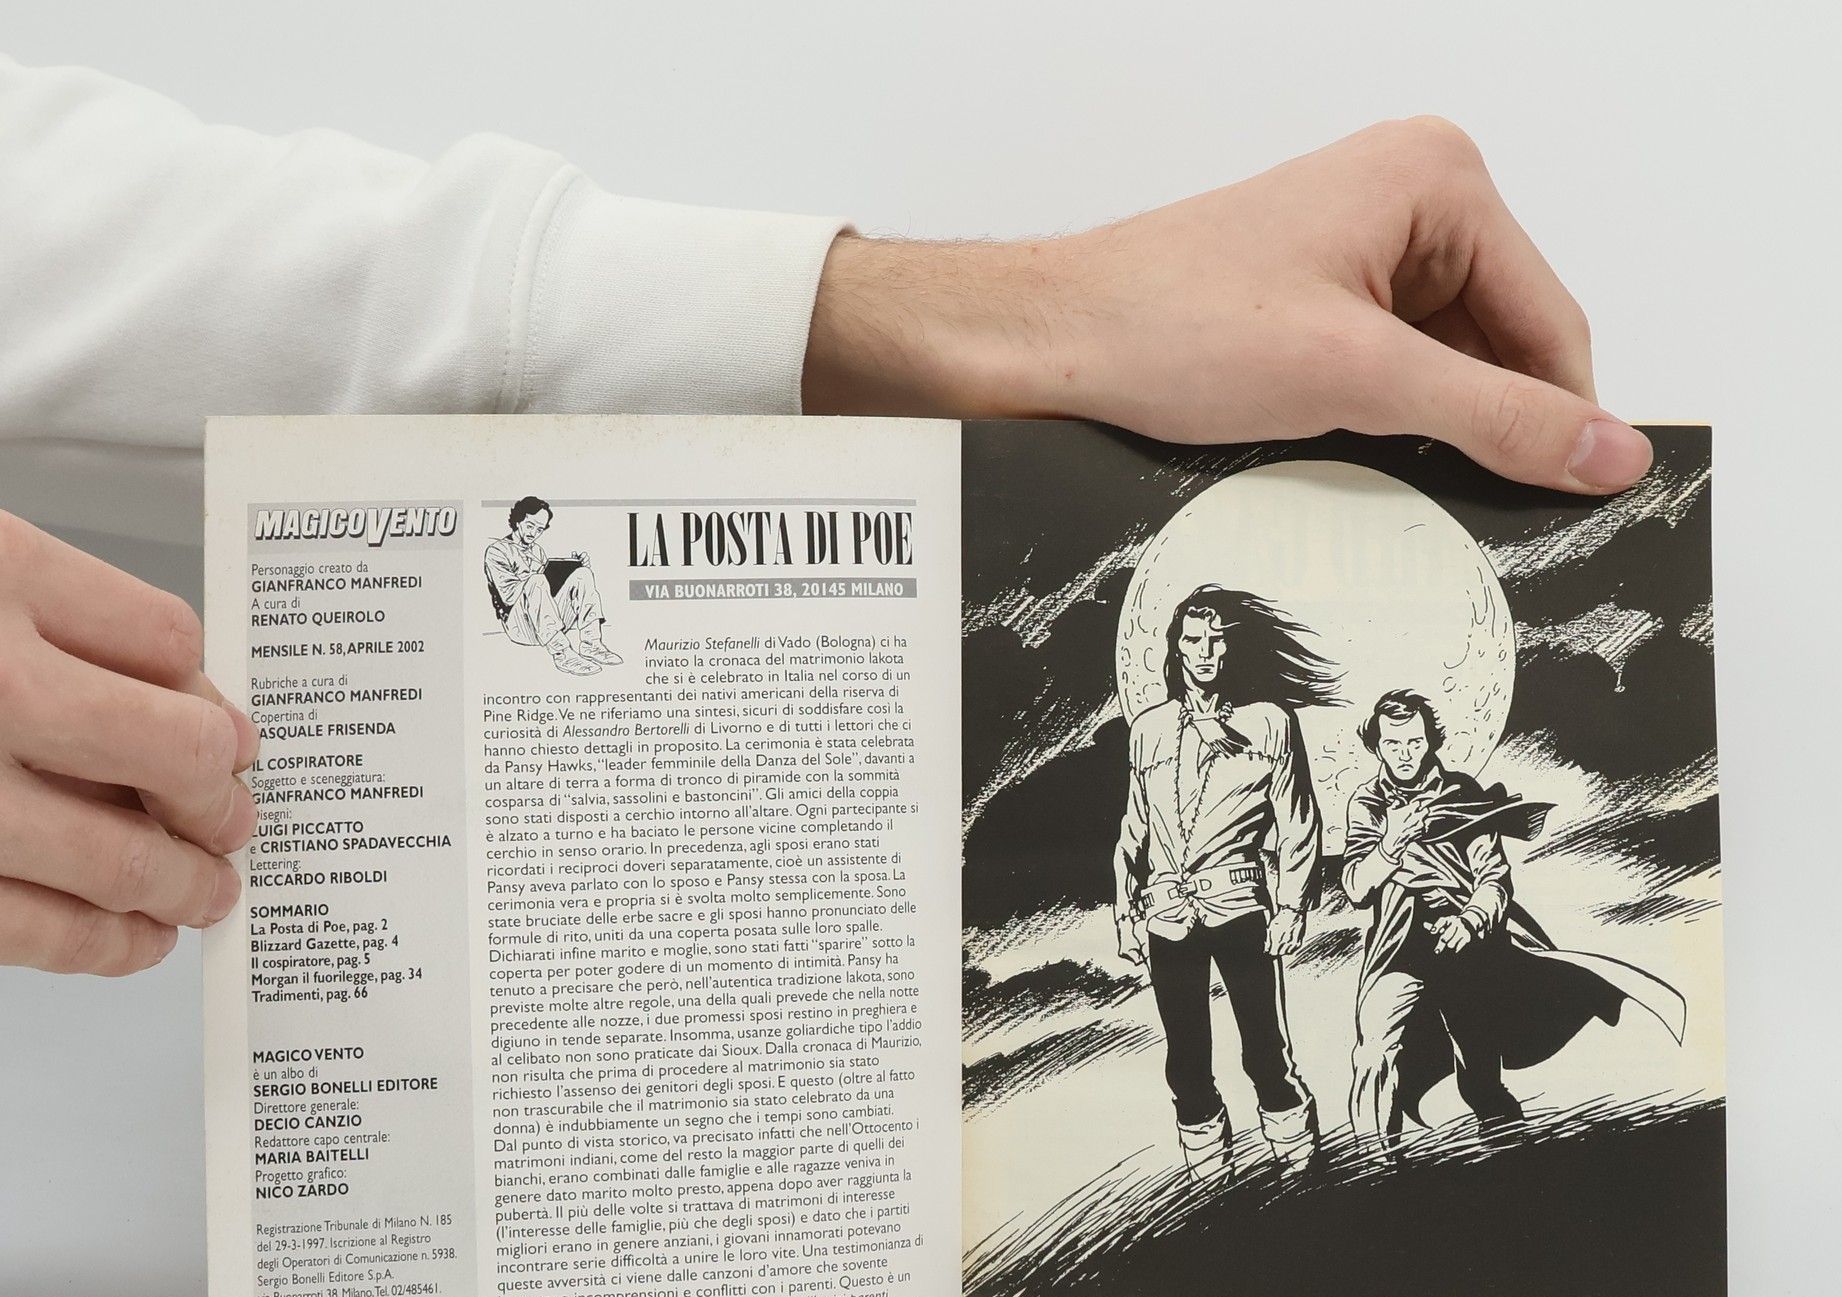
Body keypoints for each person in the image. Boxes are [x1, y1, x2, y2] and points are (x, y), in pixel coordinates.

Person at [0, 54, 1655, 979]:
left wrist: (987, 318)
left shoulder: (1305, 746)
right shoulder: (1168, 731)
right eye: (1199, 638)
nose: (1210, 652)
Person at [1342, 690, 1684, 1146]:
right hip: (1400, 944)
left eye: (1414, 742)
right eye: (1392, 744)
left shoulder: (1462, 792)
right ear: (1377, 745)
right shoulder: (1366, 803)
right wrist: (1391, 843)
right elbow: (1356, 886)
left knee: (1479, 1070)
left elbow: (1494, 879)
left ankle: (1508, 1150)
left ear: (1430, 742)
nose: (1404, 754)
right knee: (1373, 1050)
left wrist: (1468, 922)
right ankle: (1374, 1161)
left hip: (1465, 940)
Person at [1114, 588, 1337, 1179]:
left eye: (1217, 640)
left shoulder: (1270, 722)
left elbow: (1299, 823)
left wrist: (1291, 907)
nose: (1205, 652)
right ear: (1176, 647)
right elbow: (1133, 830)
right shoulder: (1148, 729)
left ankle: (1302, 1176)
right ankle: (1210, 1188)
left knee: (1265, 1054)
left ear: (1234, 647)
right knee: (1186, 1066)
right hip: (1167, 916)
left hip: (1240, 908)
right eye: (1193, 640)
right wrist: (1124, 913)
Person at [482, 496, 617, 676]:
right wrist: (535, 578)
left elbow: (549, 591)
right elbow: (508, 596)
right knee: (537, 581)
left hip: (545, 625)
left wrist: (568, 570)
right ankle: (563, 654)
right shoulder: (497, 551)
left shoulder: (537, 550)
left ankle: (591, 644)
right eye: (530, 526)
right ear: (518, 521)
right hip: (520, 625)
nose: (534, 533)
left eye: (540, 529)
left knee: (583, 574)